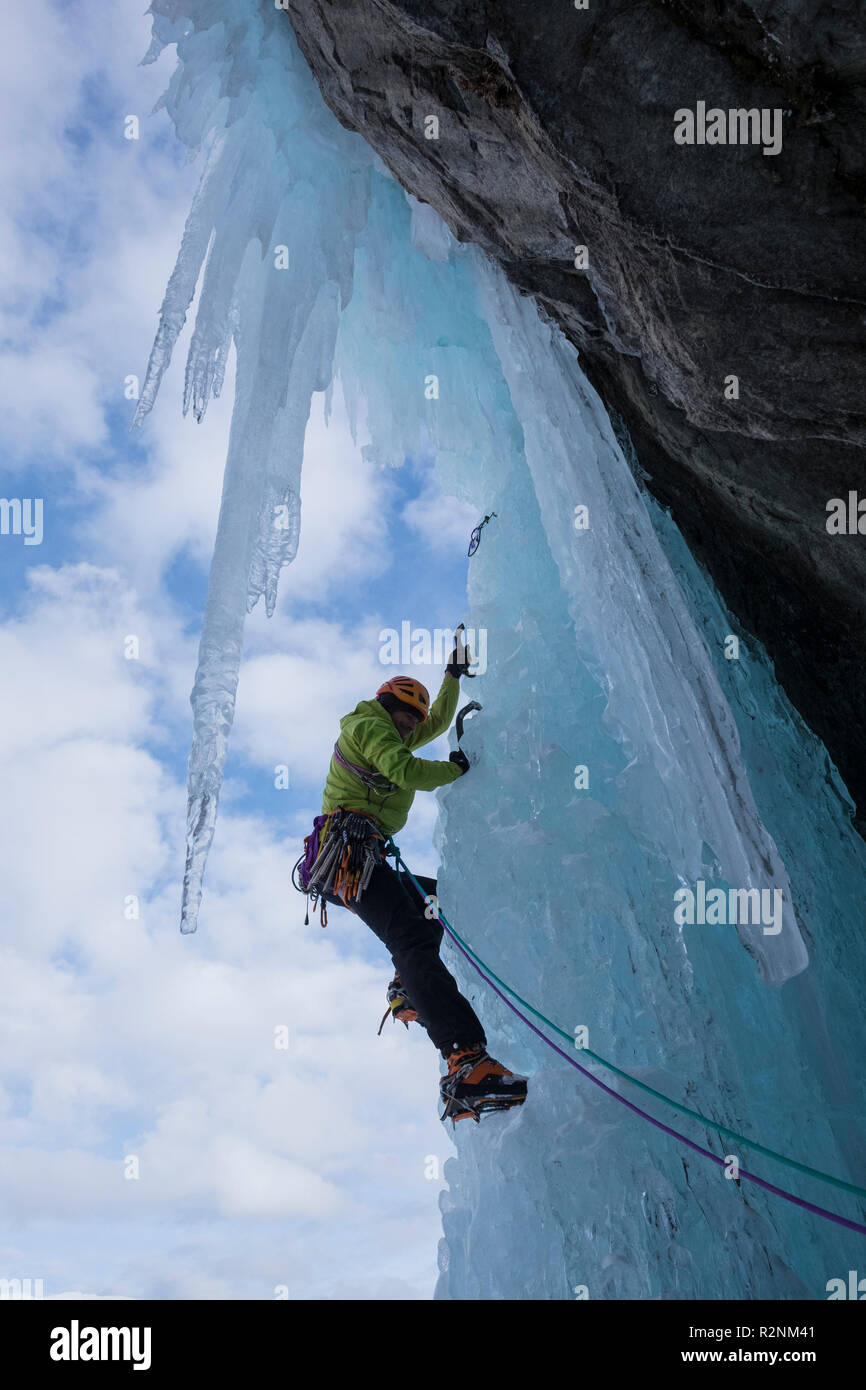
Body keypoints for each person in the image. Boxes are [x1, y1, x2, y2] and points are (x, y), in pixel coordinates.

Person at [310, 630, 527, 1124]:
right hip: (345, 859)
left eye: (414, 719)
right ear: (385, 706)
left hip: (365, 860)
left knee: (436, 901)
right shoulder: (369, 728)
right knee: (410, 933)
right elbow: (405, 771)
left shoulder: (400, 731)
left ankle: (407, 986)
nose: (411, 725)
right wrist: (455, 769)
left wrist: (451, 675)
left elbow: (438, 721)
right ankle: (465, 1060)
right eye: (404, 715)